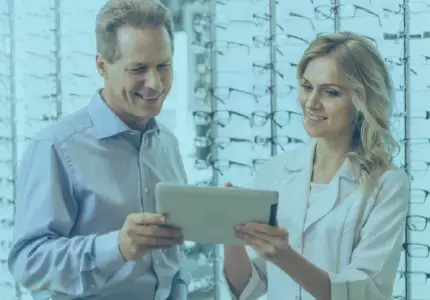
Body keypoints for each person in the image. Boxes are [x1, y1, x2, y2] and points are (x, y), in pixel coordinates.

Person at [8, 1, 189, 299]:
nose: (155, 83)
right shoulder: (55, 147)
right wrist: (115, 247)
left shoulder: (166, 143)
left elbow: (170, 263)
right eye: (138, 69)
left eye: (163, 66)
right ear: (102, 66)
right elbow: (28, 262)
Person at [223, 32, 409, 300]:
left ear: (362, 100)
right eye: (307, 87)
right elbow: (248, 288)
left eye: (330, 92)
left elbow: (365, 291)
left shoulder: (387, 185)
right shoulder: (276, 171)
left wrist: (286, 257)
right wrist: (230, 233)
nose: (311, 103)